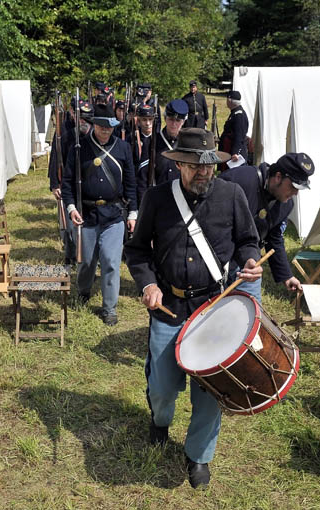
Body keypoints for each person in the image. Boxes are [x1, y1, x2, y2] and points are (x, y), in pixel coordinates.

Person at [125, 128, 262, 489]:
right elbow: (137, 250)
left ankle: (199, 455)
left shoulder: (231, 195)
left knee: (210, 393)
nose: (203, 172)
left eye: (208, 165)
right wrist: (149, 284)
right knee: (163, 386)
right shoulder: (157, 199)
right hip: (168, 307)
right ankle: (160, 421)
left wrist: (249, 260)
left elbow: (249, 240)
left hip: (214, 309)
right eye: (194, 166)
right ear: (180, 165)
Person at [62, 104, 138, 325]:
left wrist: (132, 212)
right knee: (86, 262)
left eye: (109, 127)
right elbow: (67, 183)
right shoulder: (79, 148)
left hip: (114, 215)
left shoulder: (123, 148)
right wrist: (71, 208)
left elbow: (130, 183)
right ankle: (83, 291)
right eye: (102, 126)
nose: (106, 131)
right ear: (94, 125)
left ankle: (109, 308)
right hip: (86, 214)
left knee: (111, 261)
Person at [220, 153, 315, 298]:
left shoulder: (286, 204)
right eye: (293, 186)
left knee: (250, 315)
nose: (295, 193)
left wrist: (286, 276)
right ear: (278, 177)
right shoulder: (237, 180)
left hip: (250, 267)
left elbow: (274, 238)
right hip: (218, 262)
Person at [48, 97, 94, 264]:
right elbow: (56, 158)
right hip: (69, 186)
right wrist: (54, 184)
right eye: (79, 117)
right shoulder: (66, 136)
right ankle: (70, 255)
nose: (82, 121)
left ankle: (86, 259)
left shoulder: (94, 137)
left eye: (86, 119)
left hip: (88, 187)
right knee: (69, 227)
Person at [139, 99, 188, 190]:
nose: (174, 124)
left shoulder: (187, 143)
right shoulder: (152, 141)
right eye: (171, 119)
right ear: (165, 118)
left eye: (178, 120)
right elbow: (143, 177)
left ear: (183, 121)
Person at [129, 102, 155, 207]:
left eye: (150, 119)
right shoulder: (131, 140)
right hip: (137, 187)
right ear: (138, 121)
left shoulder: (159, 139)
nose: (148, 123)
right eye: (144, 120)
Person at [219, 90, 249, 169]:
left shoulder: (239, 115)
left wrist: (235, 152)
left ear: (229, 100)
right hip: (229, 148)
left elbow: (239, 136)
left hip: (234, 152)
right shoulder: (234, 112)